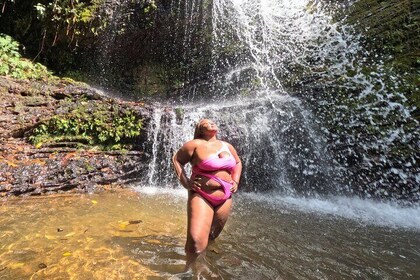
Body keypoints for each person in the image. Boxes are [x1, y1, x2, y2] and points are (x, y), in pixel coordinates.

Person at [172, 119, 242, 266]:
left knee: (211, 237)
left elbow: (237, 162)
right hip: (201, 195)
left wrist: (235, 180)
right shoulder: (194, 144)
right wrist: (185, 182)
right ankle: (190, 270)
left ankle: (207, 267)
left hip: (225, 197)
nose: (212, 123)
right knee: (196, 242)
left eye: (213, 122)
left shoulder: (227, 146)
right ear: (200, 129)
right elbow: (177, 159)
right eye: (206, 122)